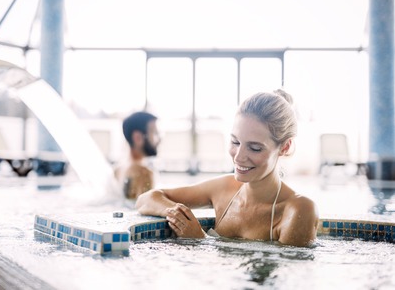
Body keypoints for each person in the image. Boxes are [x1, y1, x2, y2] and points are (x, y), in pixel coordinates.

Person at [136, 90, 319, 247]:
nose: (239, 156)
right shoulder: (223, 189)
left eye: (255, 148)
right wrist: (179, 215)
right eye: (235, 142)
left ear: (284, 147)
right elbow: (146, 199)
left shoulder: (298, 209)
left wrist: (200, 240)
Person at [114, 111, 161, 200]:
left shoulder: (117, 169)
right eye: (155, 133)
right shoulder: (143, 173)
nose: (158, 140)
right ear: (138, 138)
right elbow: (145, 208)